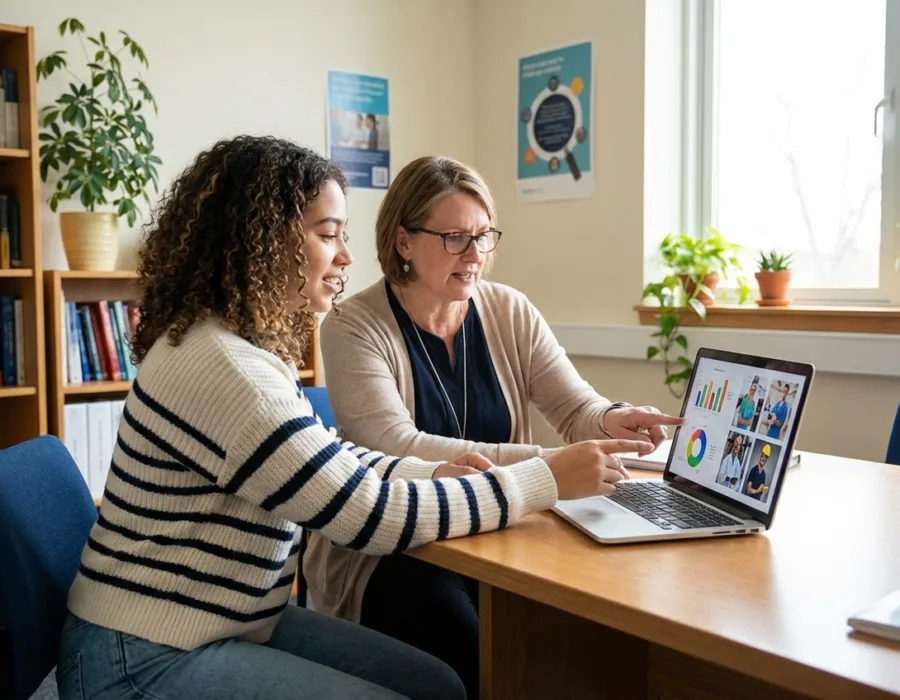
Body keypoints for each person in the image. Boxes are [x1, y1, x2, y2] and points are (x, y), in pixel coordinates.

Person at [55, 137, 651, 700]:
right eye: (327, 234)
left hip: (228, 619)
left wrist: (430, 477)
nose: (344, 255)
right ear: (264, 239)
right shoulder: (230, 369)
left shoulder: (240, 348)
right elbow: (366, 516)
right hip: (146, 652)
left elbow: (331, 461)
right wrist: (542, 477)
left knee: (439, 685)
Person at [303, 155, 683, 699]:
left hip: (505, 536)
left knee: (594, 637)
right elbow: (397, 448)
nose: (476, 255)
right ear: (404, 241)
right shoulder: (351, 325)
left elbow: (575, 408)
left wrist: (611, 418)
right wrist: (546, 466)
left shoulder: (509, 310)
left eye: (484, 236)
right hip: (396, 554)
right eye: (456, 238)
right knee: (481, 665)